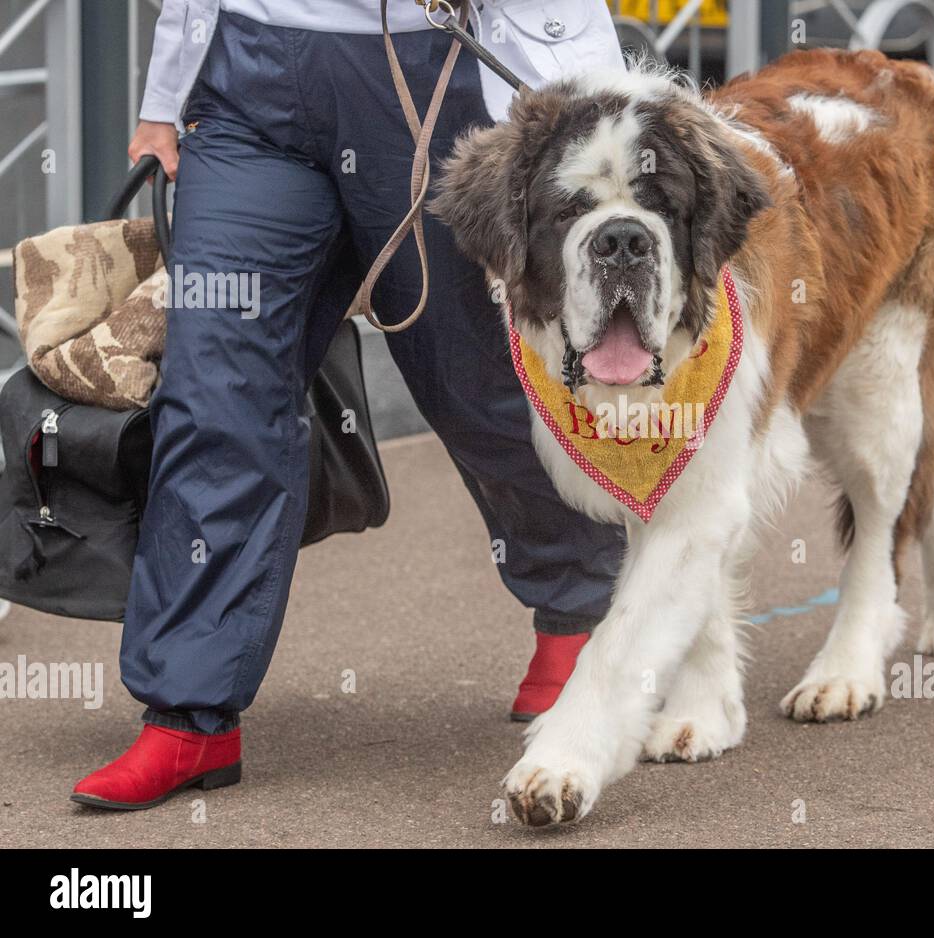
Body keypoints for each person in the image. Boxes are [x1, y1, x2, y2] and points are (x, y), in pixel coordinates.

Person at [71, 0, 627, 810]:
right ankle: (189, 712)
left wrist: (591, 106)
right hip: (249, 81)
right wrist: (165, 94)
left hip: (434, 68)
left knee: (482, 383)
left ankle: (582, 609)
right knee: (215, 394)